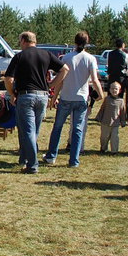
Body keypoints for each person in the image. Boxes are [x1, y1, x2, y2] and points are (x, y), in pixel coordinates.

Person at [4, 31, 68, 174]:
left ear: (23, 41)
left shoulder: (19, 56)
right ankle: (24, 158)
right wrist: (51, 85)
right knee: (34, 131)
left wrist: (12, 93)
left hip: (26, 96)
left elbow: (8, 78)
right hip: (42, 96)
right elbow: (65, 69)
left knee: (27, 131)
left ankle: (32, 165)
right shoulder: (46, 54)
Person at [43, 31, 104, 168]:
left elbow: (60, 80)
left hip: (66, 97)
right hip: (81, 98)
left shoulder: (66, 58)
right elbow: (94, 79)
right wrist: (101, 94)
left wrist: (54, 97)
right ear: (87, 43)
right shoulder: (90, 59)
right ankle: (73, 161)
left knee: (57, 127)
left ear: (74, 42)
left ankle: (51, 156)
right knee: (77, 130)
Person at [94, 81, 126, 153]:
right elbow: (102, 108)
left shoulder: (121, 101)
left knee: (114, 137)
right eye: (112, 88)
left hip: (115, 123)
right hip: (105, 122)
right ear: (109, 90)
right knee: (104, 137)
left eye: (116, 89)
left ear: (120, 90)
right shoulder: (107, 99)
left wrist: (123, 121)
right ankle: (103, 148)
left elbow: (122, 112)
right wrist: (98, 117)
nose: (114, 90)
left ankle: (114, 151)